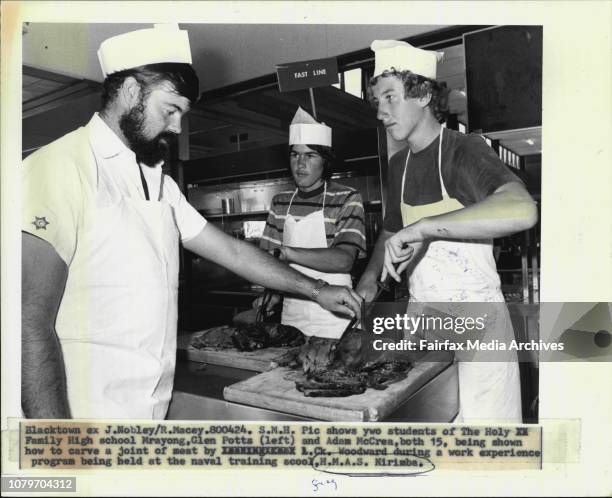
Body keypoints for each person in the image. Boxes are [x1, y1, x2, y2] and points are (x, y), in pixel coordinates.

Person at [21, 24, 362, 419]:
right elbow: (26, 322)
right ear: (131, 92)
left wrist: (317, 290)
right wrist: (56, 448)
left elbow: (233, 252)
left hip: (149, 410)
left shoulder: (158, 183)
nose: (177, 127)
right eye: (170, 109)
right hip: (84, 415)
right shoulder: (59, 168)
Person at [356, 40, 538, 422]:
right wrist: (369, 280)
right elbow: (392, 231)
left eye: (390, 97)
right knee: (425, 432)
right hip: (423, 319)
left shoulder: (464, 150)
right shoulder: (398, 165)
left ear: (422, 93)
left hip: (477, 324)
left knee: (484, 451)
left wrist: (424, 228)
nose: (381, 112)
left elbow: (523, 209)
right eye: (377, 101)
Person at [255, 108, 367, 339]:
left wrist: (287, 253)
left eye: (310, 156)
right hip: (291, 317)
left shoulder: (346, 198)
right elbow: (266, 260)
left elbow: (343, 260)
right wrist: (273, 294)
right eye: (295, 155)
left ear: (325, 161)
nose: (300, 163)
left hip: (336, 318)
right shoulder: (280, 202)